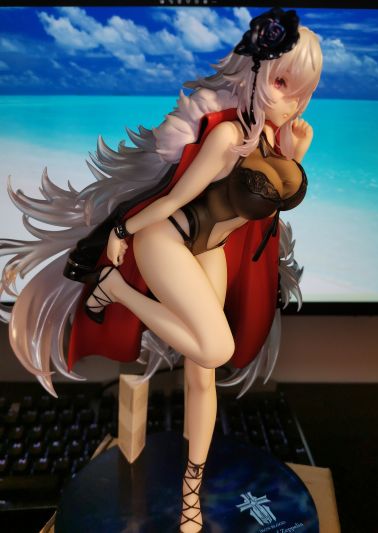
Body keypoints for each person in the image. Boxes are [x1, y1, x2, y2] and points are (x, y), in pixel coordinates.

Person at [0, 7, 322, 532]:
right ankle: (116, 289)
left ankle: (191, 496)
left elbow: (265, 208)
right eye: (285, 84)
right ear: (255, 71)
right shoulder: (226, 137)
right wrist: (121, 231)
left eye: (304, 92)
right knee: (215, 347)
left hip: (212, 248)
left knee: (203, 375)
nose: (295, 102)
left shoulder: (272, 135)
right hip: (166, 238)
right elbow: (172, 198)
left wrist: (297, 153)